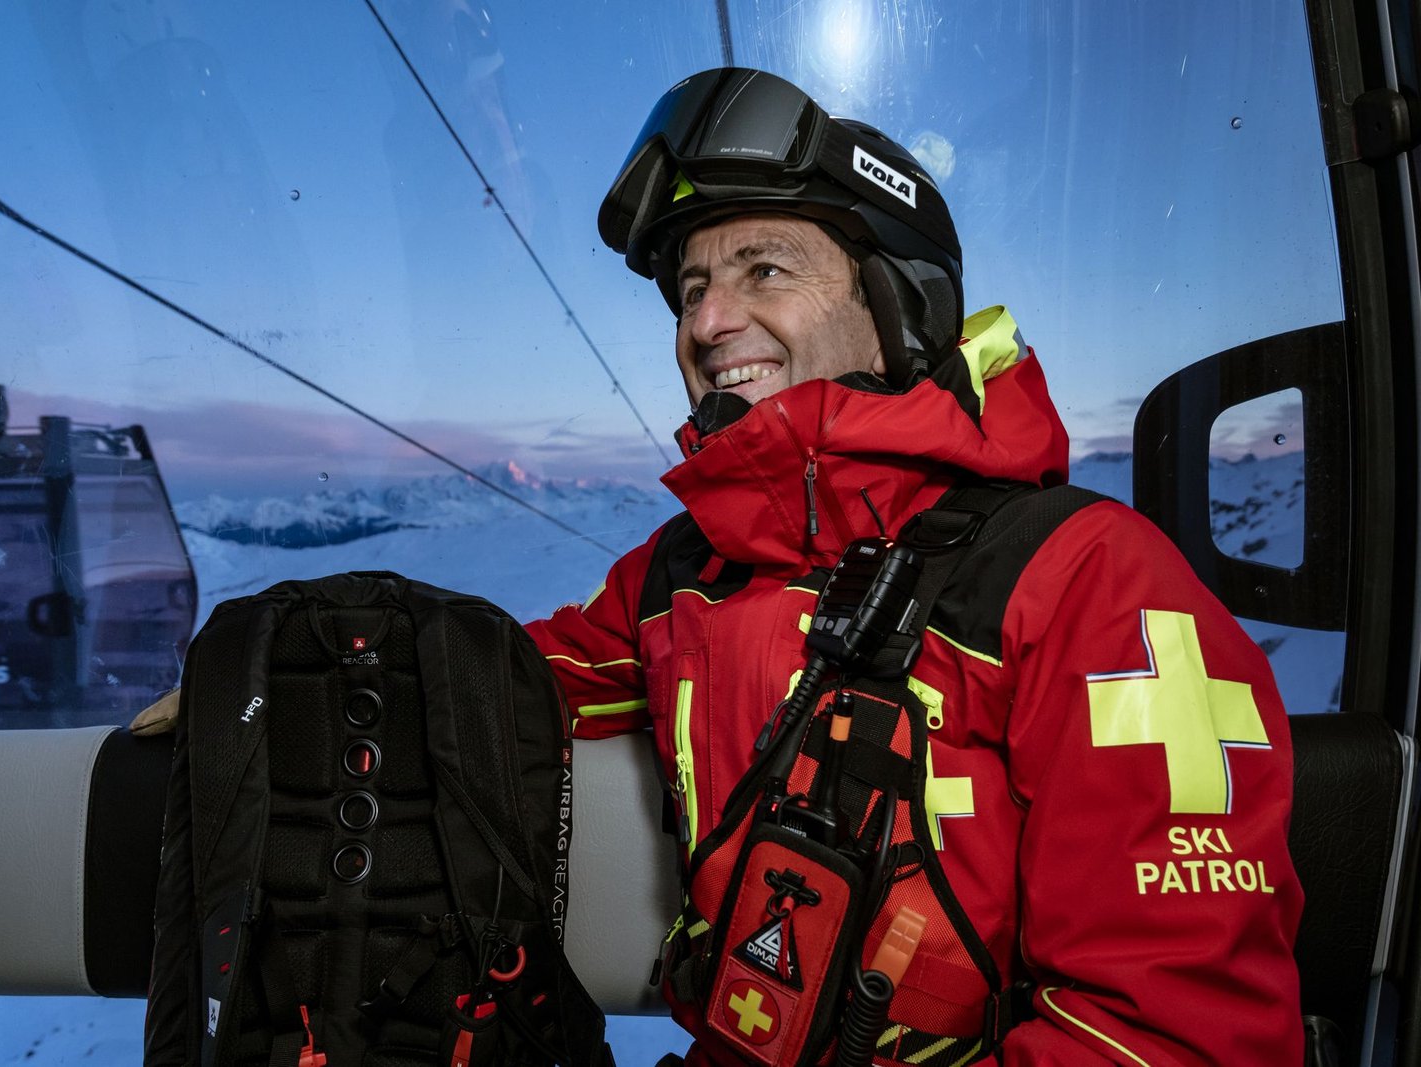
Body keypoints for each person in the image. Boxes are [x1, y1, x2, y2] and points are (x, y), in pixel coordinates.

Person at [525, 68, 1303, 1065]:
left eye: (765, 271)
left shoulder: (1083, 577)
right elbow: (503, 684)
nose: (709, 322)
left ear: (897, 305)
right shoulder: (681, 571)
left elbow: (1174, 1033)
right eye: (692, 288)